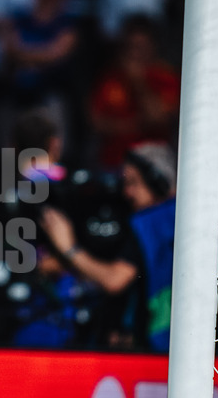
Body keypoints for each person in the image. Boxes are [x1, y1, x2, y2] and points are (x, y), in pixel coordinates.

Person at [40, 142, 178, 351]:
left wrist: (69, 248)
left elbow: (115, 280)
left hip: (159, 349)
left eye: (133, 183)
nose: (126, 192)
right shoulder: (181, 218)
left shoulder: (149, 223)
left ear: (159, 183)